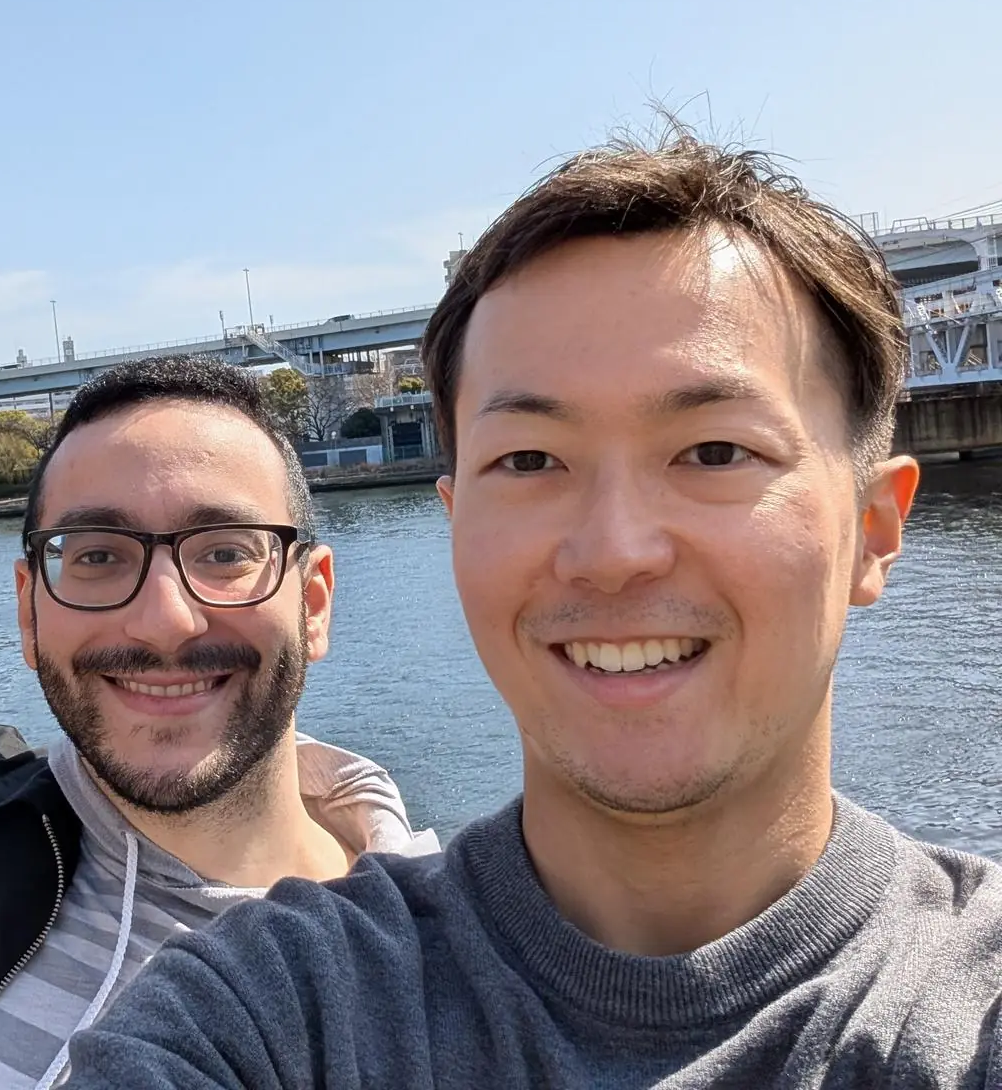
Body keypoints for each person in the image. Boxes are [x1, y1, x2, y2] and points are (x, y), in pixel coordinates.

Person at [62, 132, 1002, 1089]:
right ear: (456, 521)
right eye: (529, 462)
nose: (612, 552)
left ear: (876, 529)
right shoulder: (265, 1015)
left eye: (715, 451)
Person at [0, 355, 435, 1090]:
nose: (163, 621)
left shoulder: (448, 982)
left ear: (312, 604)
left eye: (224, 553)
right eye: (96, 557)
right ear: (28, 611)